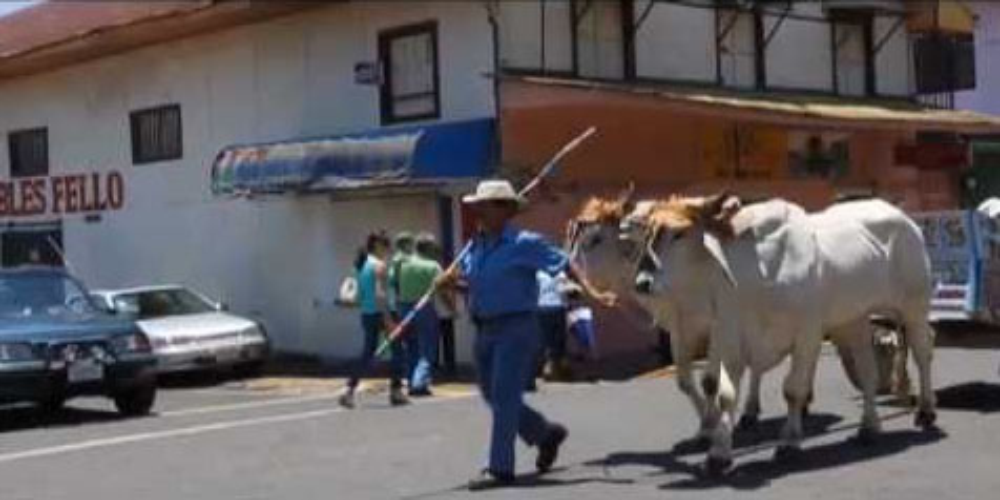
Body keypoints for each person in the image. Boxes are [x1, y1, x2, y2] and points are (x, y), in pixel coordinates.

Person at [438, 179, 616, 490]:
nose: (478, 210)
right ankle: (545, 434)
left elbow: (564, 263)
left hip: (516, 328)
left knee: (504, 396)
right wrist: (450, 284)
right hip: (483, 328)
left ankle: (499, 468)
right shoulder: (475, 246)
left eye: (485, 204)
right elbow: (472, 285)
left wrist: (592, 292)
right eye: (477, 205)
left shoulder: (524, 242)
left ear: (505, 209)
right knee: (493, 396)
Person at [339, 231, 409, 409]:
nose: (388, 249)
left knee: (367, 353)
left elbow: (360, 295)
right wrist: (389, 320)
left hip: (367, 313)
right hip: (384, 312)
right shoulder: (379, 266)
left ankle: (349, 389)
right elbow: (381, 294)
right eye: (386, 245)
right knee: (397, 351)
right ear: (378, 245)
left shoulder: (362, 265)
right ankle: (396, 391)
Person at [397, 232, 443, 396]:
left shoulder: (404, 264)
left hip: (404, 307)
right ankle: (419, 383)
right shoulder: (433, 266)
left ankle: (410, 380)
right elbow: (442, 288)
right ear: (429, 248)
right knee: (427, 348)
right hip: (424, 307)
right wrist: (452, 308)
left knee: (411, 347)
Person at [536, 270, 570, 383]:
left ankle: (559, 364)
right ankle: (548, 366)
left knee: (559, 338)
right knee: (547, 338)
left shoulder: (561, 272)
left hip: (559, 307)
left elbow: (566, 286)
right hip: (543, 307)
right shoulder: (538, 272)